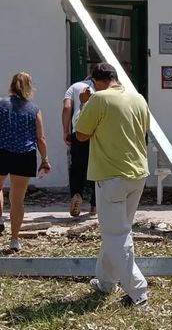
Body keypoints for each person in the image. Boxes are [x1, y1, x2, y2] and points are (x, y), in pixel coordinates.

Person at [74, 63, 151, 307]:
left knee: (116, 234)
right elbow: (144, 129)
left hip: (111, 175)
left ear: (95, 81)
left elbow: (81, 134)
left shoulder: (98, 100)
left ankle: (138, 291)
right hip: (137, 173)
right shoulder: (138, 98)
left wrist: (85, 103)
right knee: (117, 230)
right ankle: (106, 282)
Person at [0, 72, 51, 252]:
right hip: (25, 155)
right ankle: (14, 240)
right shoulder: (34, 109)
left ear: (11, 85)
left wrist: (2, 133)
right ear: (29, 87)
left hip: (0, 151)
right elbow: (40, 137)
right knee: (18, 199)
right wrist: (45, 159)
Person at [63, 72, 96, 217]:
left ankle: (76, 194)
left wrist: (66, 130)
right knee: (97, 166)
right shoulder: (103, 89)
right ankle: (95, 205)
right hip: (97, 132)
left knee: (77, 166)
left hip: (79, 130)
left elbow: (67, 108)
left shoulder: (74, 87)